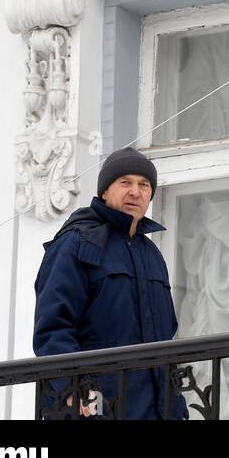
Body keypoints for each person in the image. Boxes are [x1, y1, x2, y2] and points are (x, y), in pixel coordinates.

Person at [33, 148, 186, 419]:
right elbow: (52, 328)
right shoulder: (77, 243)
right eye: (125, 182)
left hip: (155, 410)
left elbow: (166, 335)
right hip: (96, 409)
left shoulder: (152, 255)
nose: (135, 192)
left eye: (144, 185)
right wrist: (76, 389)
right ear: (104, 191)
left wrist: (176, 405)